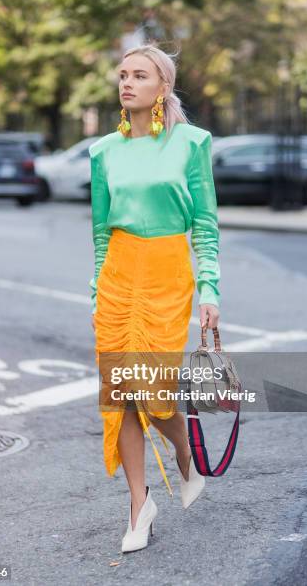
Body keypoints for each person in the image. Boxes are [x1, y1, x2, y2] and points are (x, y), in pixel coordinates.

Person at [89, 44, 220, 553]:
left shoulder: (192, 143)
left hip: (168, 273)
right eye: (122, 75)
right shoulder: (103, 152)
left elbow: (205, 226)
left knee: (154, 389)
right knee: (120, 391)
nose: (126, 83)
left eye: (139, 75)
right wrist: (97, 290)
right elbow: (101, 233)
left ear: (161, 87)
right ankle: (139, 505)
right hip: (119, 275)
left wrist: (209, 288)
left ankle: (187, 460)